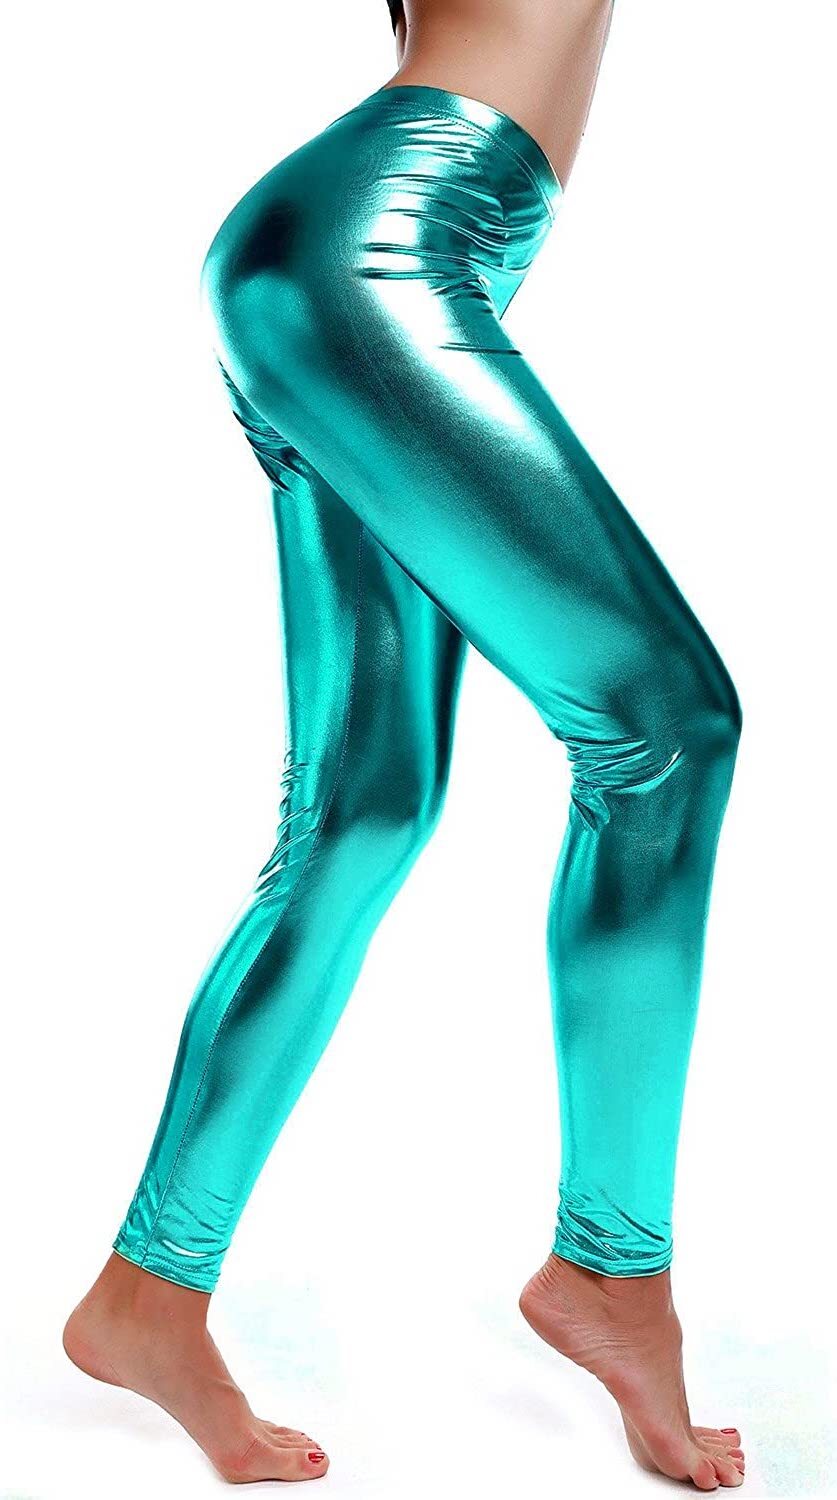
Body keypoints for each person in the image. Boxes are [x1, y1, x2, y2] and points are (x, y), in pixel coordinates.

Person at [63, 0, 745, 1488]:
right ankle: (611, 1265)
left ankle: (148, 1291)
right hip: (382, 243)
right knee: (665, 732)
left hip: (362, 252)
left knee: (365, 808)